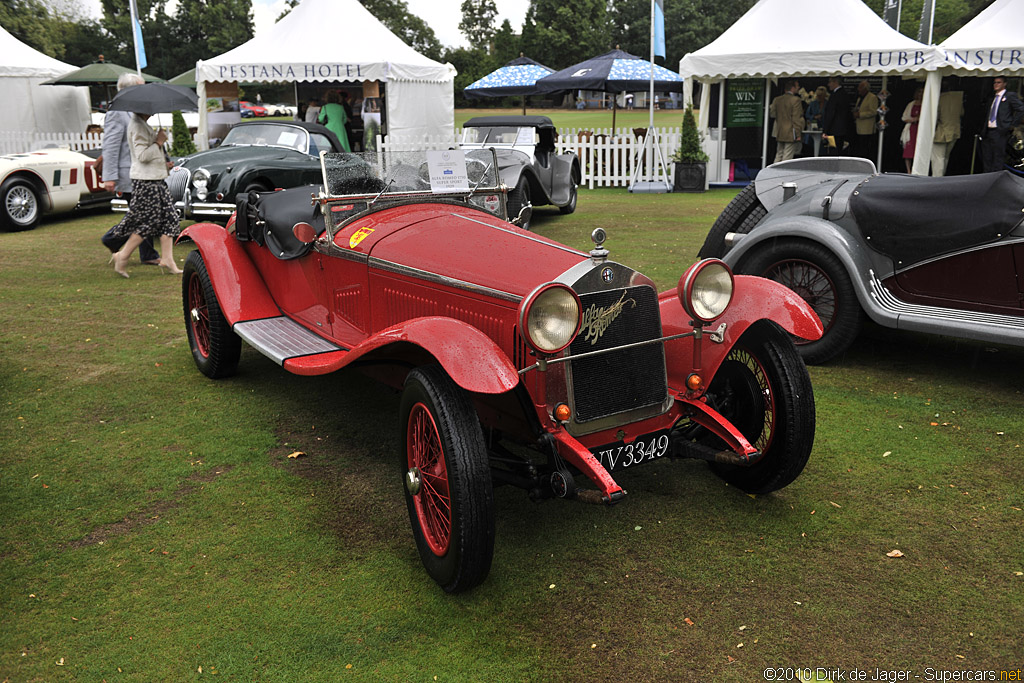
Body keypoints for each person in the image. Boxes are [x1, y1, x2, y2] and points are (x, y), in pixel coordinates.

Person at [109, 112, 182, 278]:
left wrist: (164, 164)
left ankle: (168, 259)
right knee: (149, 222)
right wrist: (159, 142)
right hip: (146, 182)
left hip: (156, 179)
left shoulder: (143, 123)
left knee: (170, 218)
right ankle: (123, 256)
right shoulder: (137, 126)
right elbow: (142, 156)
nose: (153, 111)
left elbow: (149, 155)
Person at [100, 73, 160, 265]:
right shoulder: (117, 113)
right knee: (143, 213)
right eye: (140, 87)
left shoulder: (134, 111)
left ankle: (146, 254)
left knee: (142, 213)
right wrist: (109, 177)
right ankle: (112, 239)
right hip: (128, 173)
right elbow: (110, 145)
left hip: (140, 171)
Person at [980, 75, 1024, 173]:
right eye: (995, 82)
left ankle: (995, 181)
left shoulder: (1009, 96)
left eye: (999, 82)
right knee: (987, 157)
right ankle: (986, 179)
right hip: (988, 131)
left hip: (1000, 131)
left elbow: (1021, 109)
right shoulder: (992, 97)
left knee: (997, 158)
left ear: (1004, 84)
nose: (996, 84)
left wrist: (1012, 124)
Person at [769, 79, 805, 163]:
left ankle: (774, 173)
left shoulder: (777, 99)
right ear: (792, 88)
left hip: (779, 130)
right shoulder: (796, 100)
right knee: (787, 156)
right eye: (797, 86)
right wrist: (798, 133)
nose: (798, 88)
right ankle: (783, 174)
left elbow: (772, 114)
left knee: (779, 154)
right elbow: (796, 118)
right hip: (790, 131)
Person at [930, 88, 963, 177]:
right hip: (954, 131)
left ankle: (937, 179)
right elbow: (961, 113)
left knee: (938, 158)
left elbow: (934, 117)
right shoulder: (958, 98)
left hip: (941, 132)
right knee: (945, 157)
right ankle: (941, 177)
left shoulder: (940, 98)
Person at [822, 76, 852, 155]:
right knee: (839, 151)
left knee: (834, 152)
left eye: (830, 82)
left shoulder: (835, 96)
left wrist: (825, 130)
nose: (828, 85)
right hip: (842, 130)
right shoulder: (844, 94)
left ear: (835, 82)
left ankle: (834, 167)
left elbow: (830, 113)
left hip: (834, 130)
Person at [852, 80, 879, 159]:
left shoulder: (872, 97)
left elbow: (873, 112)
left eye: (860, 87)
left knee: (866, 148)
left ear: (865, 88)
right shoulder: (859, 98)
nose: (858, 89)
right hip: (859, 127)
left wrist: (860, 115)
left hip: (867, 129)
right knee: (860, 148)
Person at [900, 87, 924, 173]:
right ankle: (908, 170)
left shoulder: (925, 104)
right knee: (908, 150)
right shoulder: (911, 104)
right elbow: (904, 117)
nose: (920, 94)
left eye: (922, 92)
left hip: (921, 129)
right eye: (919, 92)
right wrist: (913, 120)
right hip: (911, 129)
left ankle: (917, 169)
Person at [803, 86, 828, 155]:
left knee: (823, 147)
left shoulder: (828, 104)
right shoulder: (813, 104)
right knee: (812, 147)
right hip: (814, 128)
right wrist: (814, 117)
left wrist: (822, 117)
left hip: (825, 128)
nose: (819, 97)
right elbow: (807, 115)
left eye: (821, 95)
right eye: (818, 95)